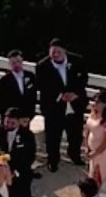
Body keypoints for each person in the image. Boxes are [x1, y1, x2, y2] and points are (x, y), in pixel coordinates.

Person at [35, 38, 88, 172]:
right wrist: (60, 95)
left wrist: (75, 93)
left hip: (75, 104)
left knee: (75, 133)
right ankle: (53, 161)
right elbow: (43, 86)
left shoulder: (77, 61)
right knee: (53, 136)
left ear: (64, 51)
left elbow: (83, 79)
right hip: (53, 106)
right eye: (53, 52)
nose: (55, 54)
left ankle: (75, 156)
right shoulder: (42, 66)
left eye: (58, 51)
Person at [0, 107, 38, 197]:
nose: (8, 125)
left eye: (12, 123)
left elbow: (30, 156)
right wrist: (6, 165)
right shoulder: (0, 131)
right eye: (7, 122)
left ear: (18, 122)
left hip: (23, 175)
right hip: (6, 174)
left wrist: (16, 170)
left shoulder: (27, 135)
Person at [83, 90, 106, 185]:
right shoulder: (93, 112)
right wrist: (87, 147)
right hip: (92, 148)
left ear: (105, 104)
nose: (95, 104)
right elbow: (87, 130)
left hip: (103, 151)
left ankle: (103, 193)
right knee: (92, 171)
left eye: (98, 102)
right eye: (94, 101)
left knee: (101, 172)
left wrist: (95, 153)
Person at [0, 50, 38, 120]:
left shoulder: (30, 76)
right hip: (12, 117)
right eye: (13, 63)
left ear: (22, 61)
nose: (16, 65)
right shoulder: (4, 81)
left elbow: (33, 95)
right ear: (9, 63)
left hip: (27, 114)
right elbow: (2, 102)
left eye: (18, 61)